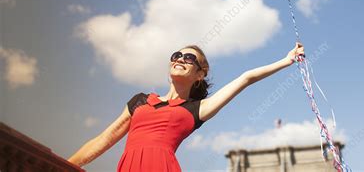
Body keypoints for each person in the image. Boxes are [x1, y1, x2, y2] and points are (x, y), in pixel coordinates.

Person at [68, 42, 305, 171]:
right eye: (177, 55)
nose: (180, 58)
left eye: (189, 58)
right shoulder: (140, 100)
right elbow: (104, 138)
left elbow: (246, 78)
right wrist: (65, 166)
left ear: (200, 74)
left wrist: (287, 60)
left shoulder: (197, 109)